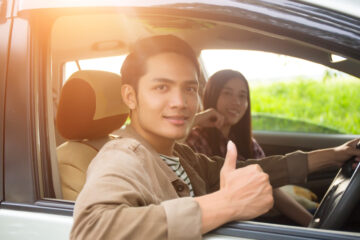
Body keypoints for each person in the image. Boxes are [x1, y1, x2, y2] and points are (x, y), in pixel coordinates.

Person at [70, 35, 360, 240]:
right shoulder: (123, 155)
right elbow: (90, 231)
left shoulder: (179, 154)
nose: (180, 102)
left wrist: (332, 155)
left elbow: (254, 169)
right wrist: (226, 204)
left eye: (189, 89)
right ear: (130, 96)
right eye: (161, 87)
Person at [186, 69, 314, 226]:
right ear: (213, 95)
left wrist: (314, 226)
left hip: (261, 219)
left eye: (242, 96)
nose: (237, 102)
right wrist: (199, 118)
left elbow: (271, 182)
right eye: (227, 93)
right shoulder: (194, 139)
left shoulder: (246, 141)